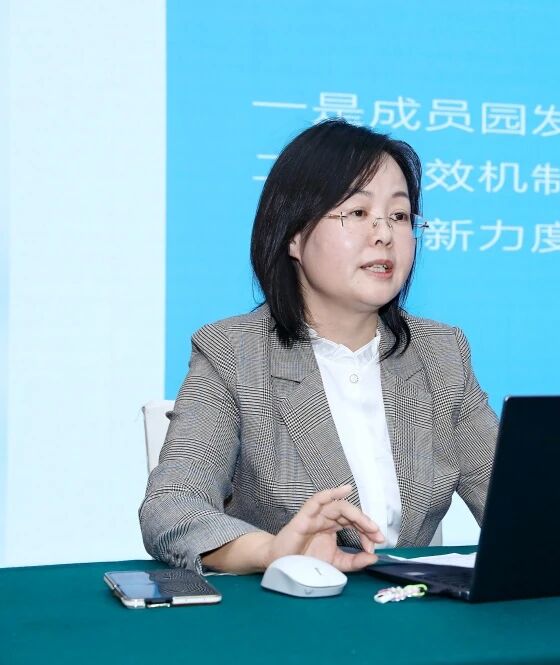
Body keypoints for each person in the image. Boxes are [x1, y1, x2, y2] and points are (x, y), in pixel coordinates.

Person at [140, 120, 498, 574]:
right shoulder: (234, 354)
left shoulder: (440, 353)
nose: (384, 234)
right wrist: (271, 552)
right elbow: (171, 507)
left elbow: (516, 502)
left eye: (399, 216)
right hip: (288, 609)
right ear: (293, 234)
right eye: (357, 212)